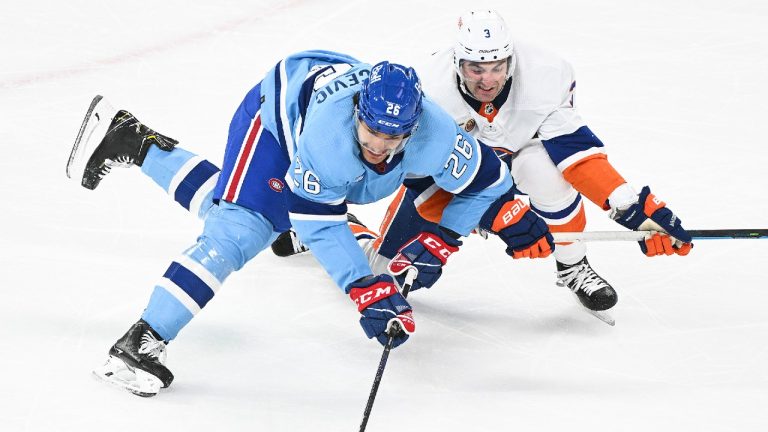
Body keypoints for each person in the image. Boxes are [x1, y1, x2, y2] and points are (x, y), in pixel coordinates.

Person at [67, 50, 542, 397]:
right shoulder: (326, 142)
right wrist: (365, 286)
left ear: (415, 127)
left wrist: (442, 239)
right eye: (373, 130)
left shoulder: (434, 133)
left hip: (318, 102)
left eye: (395, 136)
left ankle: (132, 140)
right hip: (275, 119)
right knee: (238, 228)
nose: (380, 146)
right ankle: (141, 341)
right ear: (358, 111)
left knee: (257, 210)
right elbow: (320, 223)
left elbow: (489, 180)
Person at [272, 10, 694, 324]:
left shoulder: (547, 72)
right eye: (475, 67)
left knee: (543, 172)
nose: (487, 79)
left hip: (519, 155)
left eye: (496, 66)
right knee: (386, 275)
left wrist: (633, 207)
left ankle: (572, 262)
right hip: (457, 177)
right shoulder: (430, 92)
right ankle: (343, 226)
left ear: (511, 59)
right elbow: (422, 180)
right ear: (458, 62)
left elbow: (575, 151)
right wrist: (495, 216)